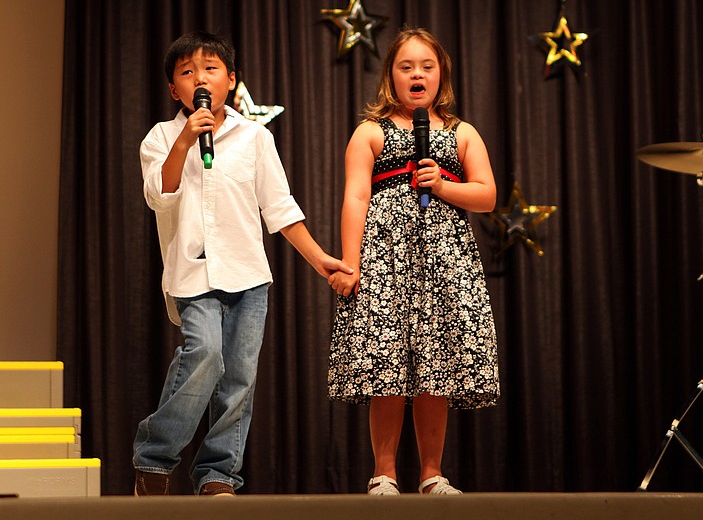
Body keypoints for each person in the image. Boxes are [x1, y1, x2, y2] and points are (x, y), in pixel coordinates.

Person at [133, 30, 352, 497]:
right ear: (174, 88)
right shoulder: (162, 136)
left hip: (249, 275)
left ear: (230, 80)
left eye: (210, 69)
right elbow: (159, 194)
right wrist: (185, 143)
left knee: (238, 379)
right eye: (187, 71)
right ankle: (154, 459)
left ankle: (217, 474)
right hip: (191, 272)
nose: (200, 78)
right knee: (204, 353)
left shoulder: (255, 136)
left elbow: (279, 208)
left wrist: (320, 261)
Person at [328, 27, 500, 496]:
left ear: (441, 74)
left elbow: (486, 195)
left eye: (426, 66)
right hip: (384, 258)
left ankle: (431, 474)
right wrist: (349, 261)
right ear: (391, 76)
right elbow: (355, 197)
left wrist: (442, 185)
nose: (417, 74)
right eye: (406, 67)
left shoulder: (461, 131)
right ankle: (383, 472)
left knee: (435, 363)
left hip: (445, 260)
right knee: (386, 365)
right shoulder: (370, 131)